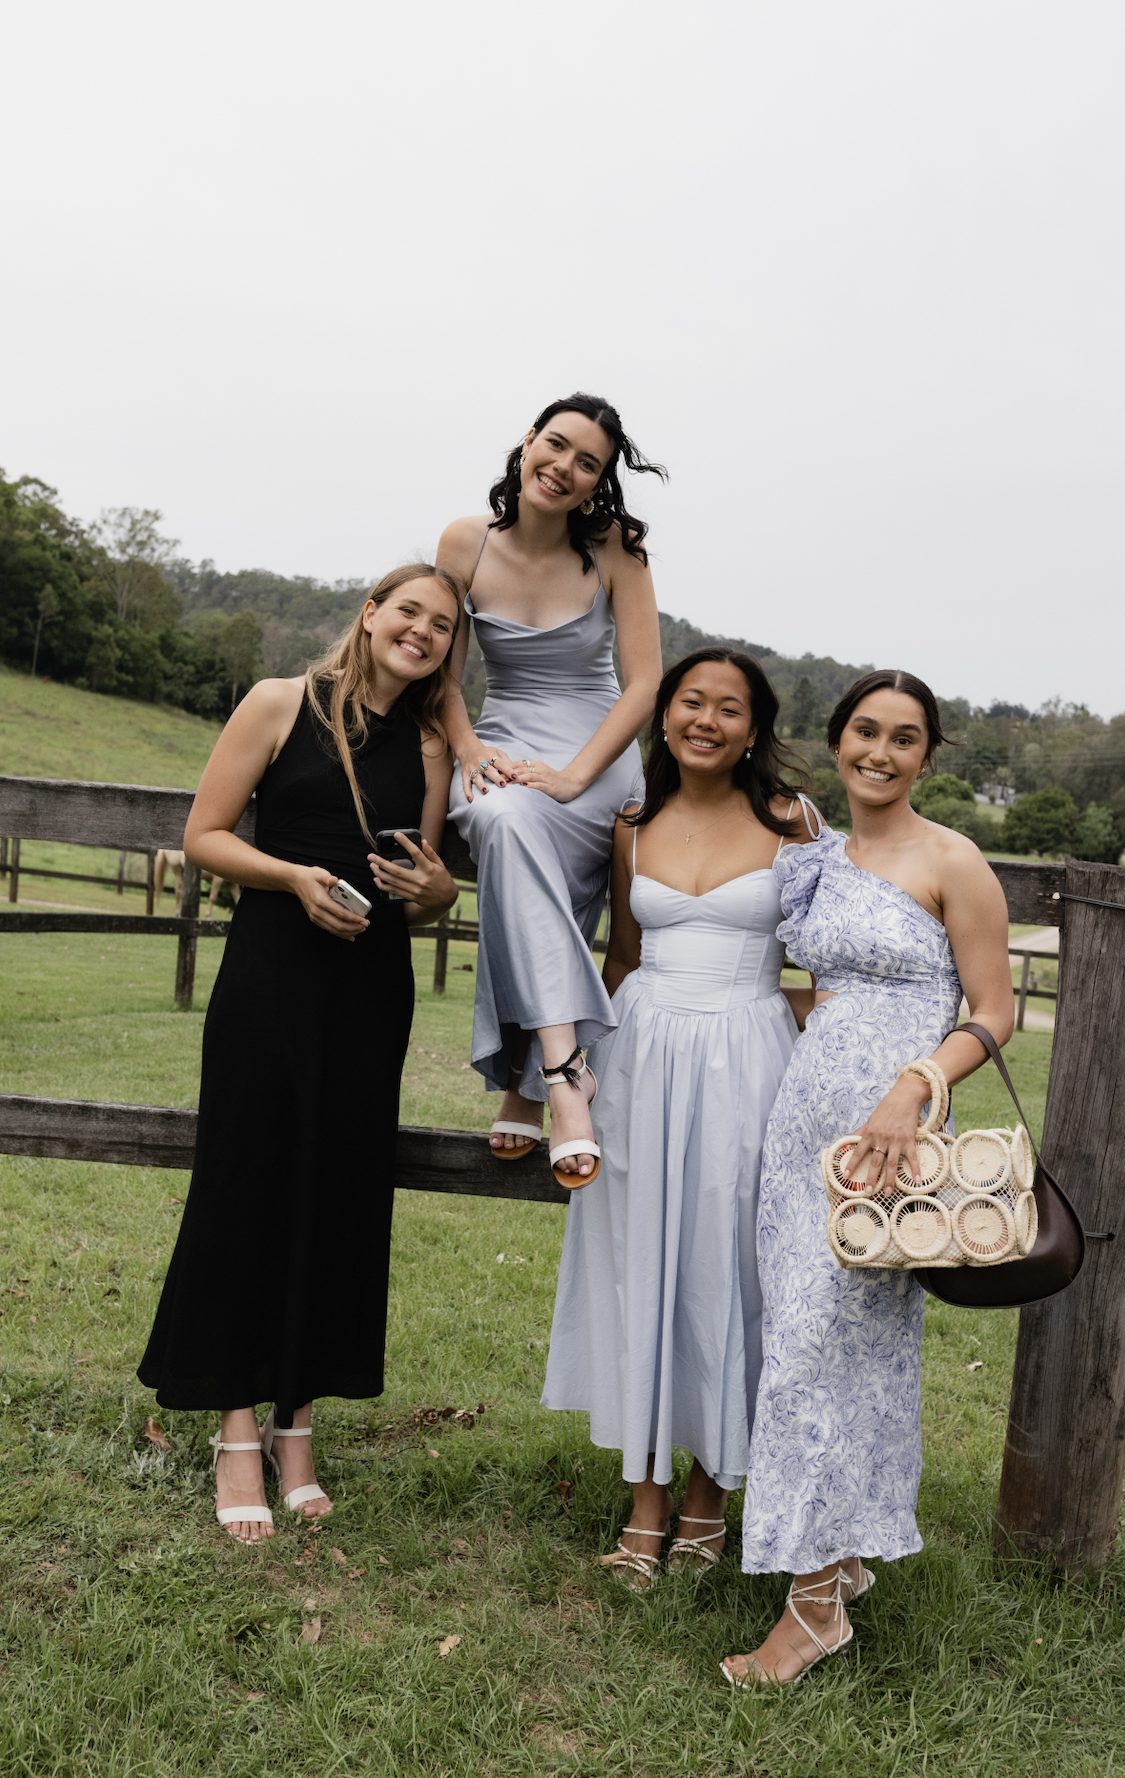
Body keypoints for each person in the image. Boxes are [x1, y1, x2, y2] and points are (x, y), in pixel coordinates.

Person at [138, 565, 463, 1543]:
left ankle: (298, 1425)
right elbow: (202, 835)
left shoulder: (433, 741)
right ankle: (235, 1426)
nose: (422, 631)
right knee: (251, 1182)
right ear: (370, 613)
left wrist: (441, 891)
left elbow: (425, 880)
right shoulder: (280, 703)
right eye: (409, 610)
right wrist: (289, 876)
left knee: (339, 1191)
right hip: (272, 974)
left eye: (443, 626)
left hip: (371, 988)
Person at [722, 669, 1015, 1685]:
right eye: (863, 731)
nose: (879, 752)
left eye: (903, 737)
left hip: (891, 1132)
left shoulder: (954, 858)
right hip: (801, 1124)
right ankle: (838, 1554)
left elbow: (994, 1008)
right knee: (802, 1340)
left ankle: (809, 1611)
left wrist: (918, 1079)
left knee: (826, 1349)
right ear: (837, 738)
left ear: (927, 755)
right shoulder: (818, 856)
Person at [542, 648, 823, 1585]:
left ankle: (712, 1491)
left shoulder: (794, 827)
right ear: (663, 718)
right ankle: (646, 1496)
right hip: (644, 1058)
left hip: (753, 1057)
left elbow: (828, 977)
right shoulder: (631, 825)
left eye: (729, 708)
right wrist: (574, 1081)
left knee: (733, 1265)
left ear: (755, 728)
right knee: (642, 1266)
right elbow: (619, 959)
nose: (707, 720)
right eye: (690, 702)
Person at [435, 393, 664, 1187]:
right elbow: (442, 665)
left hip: (597, 753)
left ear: (600, 481)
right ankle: (561, 1078)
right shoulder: (465, 541)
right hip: (500, 744)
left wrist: (575, 776)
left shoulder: (613, 549)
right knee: (501, 822)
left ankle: (535, 1085)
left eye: (587, 463)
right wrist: (466, 746)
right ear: (529, 441)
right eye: (556, 446)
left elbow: (644, 685)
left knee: (521, 846)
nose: (564, 468)